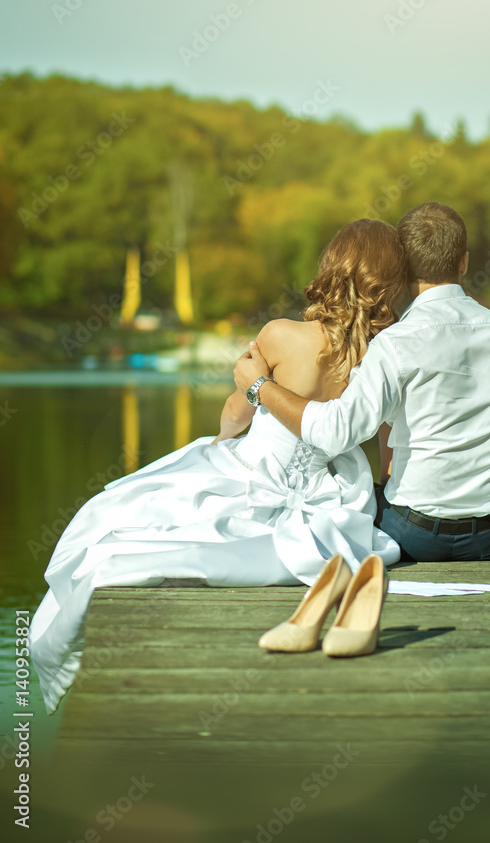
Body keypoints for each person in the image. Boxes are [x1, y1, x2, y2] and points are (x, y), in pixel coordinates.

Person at [29, 219, 405, 714]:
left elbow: (235, 414)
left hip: (257, 468)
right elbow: (387, 446)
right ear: (389, 284)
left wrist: (225, 440)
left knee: (120, 511)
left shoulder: (282, 335)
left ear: (332, 268)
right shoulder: (388, 353)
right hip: (332, 492)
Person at [234, 202, 490, 564]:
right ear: (464, 262)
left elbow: (334, 432)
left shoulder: (396, 344)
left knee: (343, 500)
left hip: (418, 536)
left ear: (404, 267)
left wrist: (261, 387)